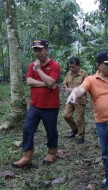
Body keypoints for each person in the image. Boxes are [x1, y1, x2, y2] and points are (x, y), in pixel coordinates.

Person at [66, 51, 108, 190]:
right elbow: (81, 89)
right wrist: (73, 92)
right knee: (105, 154)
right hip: (101, 122)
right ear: (98, 65)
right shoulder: (91, 79)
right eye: (107, 64)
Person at [12, 38, 61, 168]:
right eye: (35, 50)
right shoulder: (31, 65)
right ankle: (27, 156)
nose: (37, 53)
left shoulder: (55, 65)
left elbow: (52, 82)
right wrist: (47, 84)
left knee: (51, 130)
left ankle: (52, 152)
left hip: (51, 106)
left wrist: (38, 70)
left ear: (46, 50)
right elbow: (29, 81)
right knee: (28, 129)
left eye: (40, 50)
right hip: (35, 105)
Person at [63, 57, 88, 144]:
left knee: (80, 119)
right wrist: (65, 87)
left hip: (80, 100)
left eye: (73, 66)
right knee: (66, 115)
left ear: (78, 66)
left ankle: (81, 136)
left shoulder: (84, 74)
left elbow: (86, 88)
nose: (71, 68)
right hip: (70, 99)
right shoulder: (69, 73)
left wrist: (72, 90)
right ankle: (75, 130)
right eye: (70, 66)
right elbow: (64, 83)